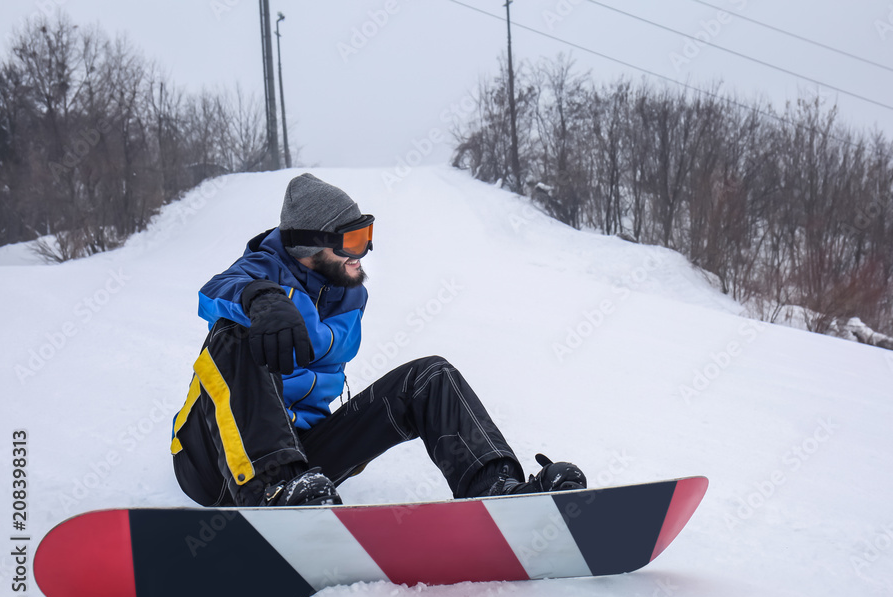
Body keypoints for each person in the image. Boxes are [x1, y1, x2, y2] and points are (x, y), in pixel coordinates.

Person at [169, 173, 586, 507]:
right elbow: (216, 289)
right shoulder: (262, 269)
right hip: (214, 463)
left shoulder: (349, 294)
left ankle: (496, 491)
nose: (362, 252)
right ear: (312, 243)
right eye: (352, 241)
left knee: (430, 375)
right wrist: (260, 297)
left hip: (303, 460)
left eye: (366, 237)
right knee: (235, 331)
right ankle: (273, 490)